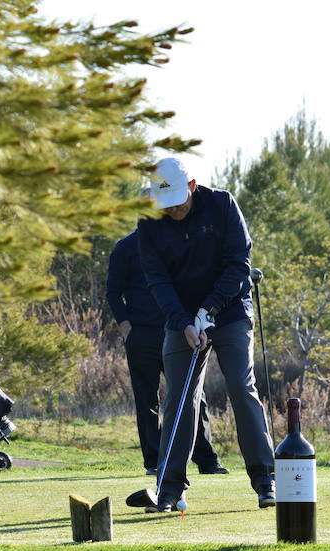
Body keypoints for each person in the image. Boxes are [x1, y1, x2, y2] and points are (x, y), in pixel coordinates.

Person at [137, 157, 275, 513]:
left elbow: (238, 265)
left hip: (228, 312)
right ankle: (169, 488)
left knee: (241, 389)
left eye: (177, 202)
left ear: (193, 187)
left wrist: (208, 310)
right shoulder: (150, 222)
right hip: (180, 318)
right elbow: (157, 280)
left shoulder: (223, 205)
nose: (171, 210)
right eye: (163, 204)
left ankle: (265, 480)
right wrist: (184, 321)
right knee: (180, 398)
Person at [106, 230, 229, 477]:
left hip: (178, 330)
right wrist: (126, 327)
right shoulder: (125, 247)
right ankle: (154, 461)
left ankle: (206, 460)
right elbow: (113, 292)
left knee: (194, 395)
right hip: (142, 334)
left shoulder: (176, 240)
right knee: (147, 400)